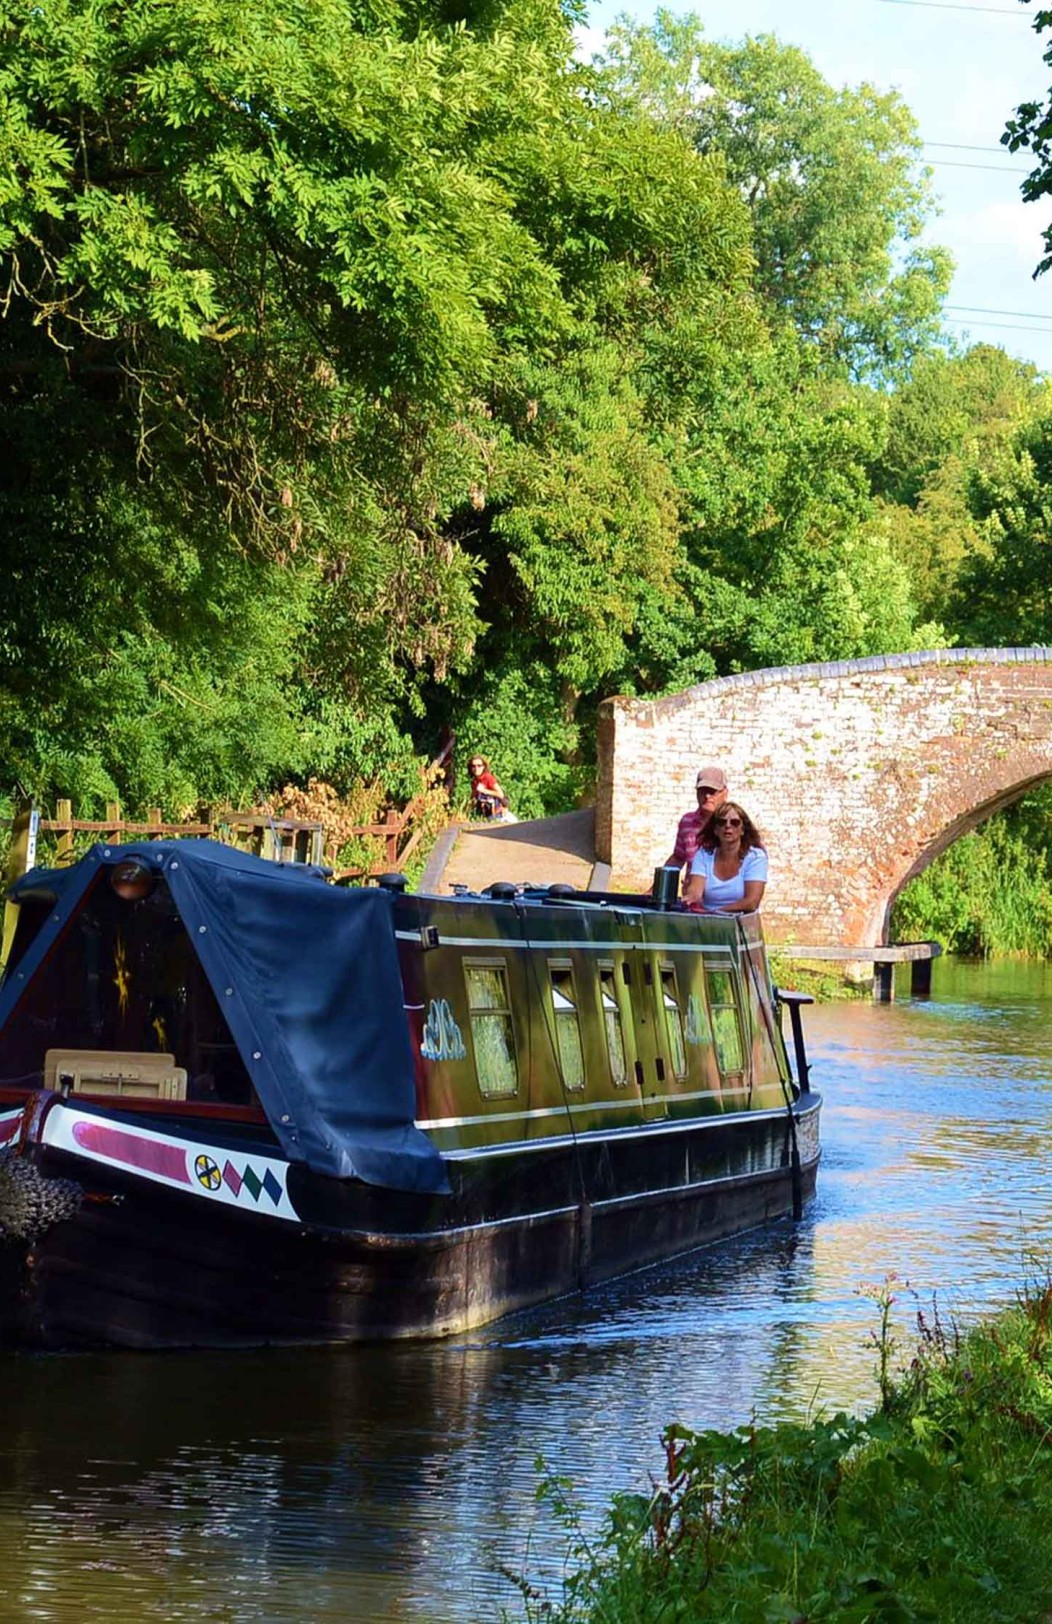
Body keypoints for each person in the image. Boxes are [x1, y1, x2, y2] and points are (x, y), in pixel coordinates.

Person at [683, 801, 767, 914]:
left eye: (735, 822)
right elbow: (695, 891)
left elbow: (752, 902)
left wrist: (717, 912)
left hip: (741, 923)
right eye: (721, 822)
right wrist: (691, 897)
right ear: (715, 830)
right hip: (708, 922)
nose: (728, 826)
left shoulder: (755, 857)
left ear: (742, 830)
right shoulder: (704, 855)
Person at [666, 767, 728, 882]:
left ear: (725, 793)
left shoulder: (734, 825)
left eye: (713, 792)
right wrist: (657, 887)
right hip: (691, 897)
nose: (707, 796)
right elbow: (678, 857)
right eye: (703, 791)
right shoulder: (687, 822)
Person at [468, 755, 516, 822]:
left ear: (483, 767)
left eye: (479, 765)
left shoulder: (488, 777)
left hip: (499, 814)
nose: (476, 768)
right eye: (473, 766)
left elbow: (500, 794)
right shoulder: (475, 781)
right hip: (486, 815)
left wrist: (484, 790)